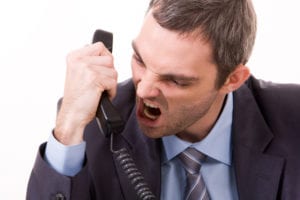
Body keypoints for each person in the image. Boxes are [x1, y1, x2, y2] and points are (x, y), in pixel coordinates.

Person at [27, 0, 300, 199]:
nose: (144, 90)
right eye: (140, 60)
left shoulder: (292, 118)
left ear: (233, 79)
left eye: (174, 80)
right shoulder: (89, 128)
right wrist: (68, 127)